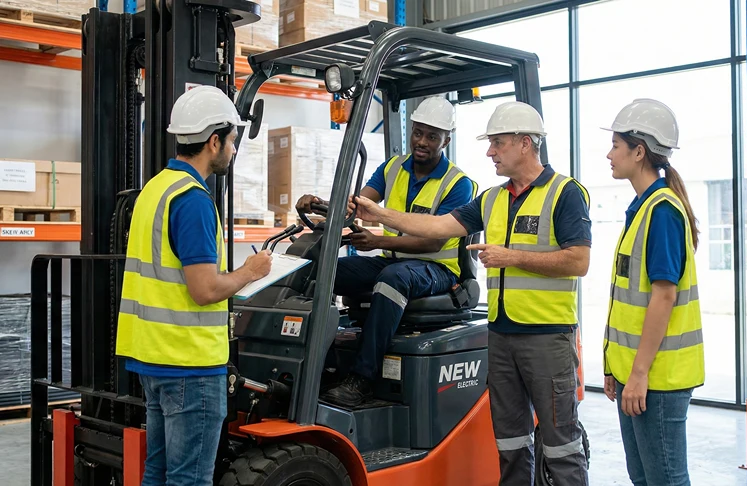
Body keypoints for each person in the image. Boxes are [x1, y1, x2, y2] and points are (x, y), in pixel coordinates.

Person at [351, 101, 591, 485]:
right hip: (503, 334)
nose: (489, 151)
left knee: (560, 448)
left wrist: (510, 257)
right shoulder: (492, 198)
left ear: (526, 144)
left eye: (497, 143)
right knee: (510, 443)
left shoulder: (565, 193)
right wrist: (380, 216)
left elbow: (578, 261)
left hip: (547, 337)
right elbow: (437, 226)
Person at [115, 86, 273, 486]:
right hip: (190, 365)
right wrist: (251, 271)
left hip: (153, 358)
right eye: (232, 141)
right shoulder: (193, 200)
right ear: (214, 141)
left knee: (159, 473)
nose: (234, 151)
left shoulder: (155, 189)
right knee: (189, 479)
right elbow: (203, 290)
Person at [296, 96, 476, 407]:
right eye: (418, 132)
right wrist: (322, 208)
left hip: (437, 270)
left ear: (447, 138)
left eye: (432, 136)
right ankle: (315, 363)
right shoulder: (393, 168)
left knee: (392, 280)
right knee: (322, 271)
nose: (421, 142)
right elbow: (357, 205)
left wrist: (378, 241)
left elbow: (432, 242)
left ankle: (362, 379)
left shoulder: (458, 184)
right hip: (394, 260)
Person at [601, 98, 704, 486]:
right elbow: (631, 299)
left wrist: (639, 373)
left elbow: (664, 297)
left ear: (639, 151)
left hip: (658, 378)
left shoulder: (661, 211)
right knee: (644, 478)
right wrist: (617, 368)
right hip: (638, 374)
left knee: (665, 480)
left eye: (615, 145)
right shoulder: (642, 208)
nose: (608, 155)